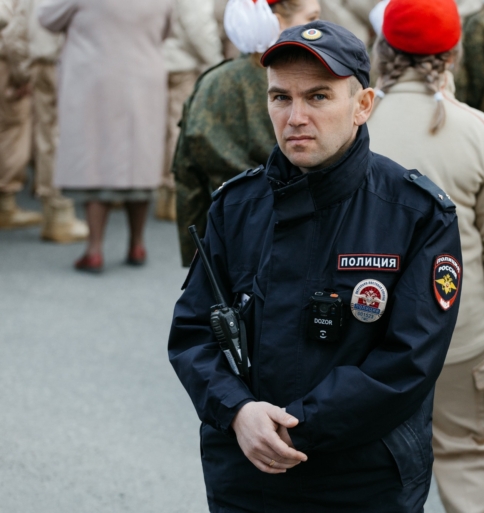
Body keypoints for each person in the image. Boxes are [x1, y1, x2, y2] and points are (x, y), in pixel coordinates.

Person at [168, 20, 463, 512]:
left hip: (362, 478)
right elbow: (194, 331)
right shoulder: (236, 206)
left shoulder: (415, 214)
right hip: (248, 471)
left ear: (362, 106)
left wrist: (295, 423)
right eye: (280, 97)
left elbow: (408, 360)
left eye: (319, 97)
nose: (295, 116)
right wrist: (238, 411)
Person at [367, 1, 484, 511]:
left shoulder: (353, 128)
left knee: (367, 465)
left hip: (367, 336)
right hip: (457, 325)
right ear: (453, 53)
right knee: (469, 459)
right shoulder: (482, 133)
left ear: (383, 48)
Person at [173, 0, 320, 266]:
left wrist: (195, 251)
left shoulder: (212, 82)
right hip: (302, 236)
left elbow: (188, 174)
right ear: (276, 21)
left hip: (228, 234)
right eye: (311, 18)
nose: (318, 29)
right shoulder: (313, 86)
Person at [38, 0, 173, 272]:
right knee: (140, 163)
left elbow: (47, 17)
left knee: (96, 160)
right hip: (144, 76)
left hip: (96, 77)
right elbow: (168, 28)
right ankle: (137, 244)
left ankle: (94, 249)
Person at [5, 0, 88, 242]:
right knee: (62, 137)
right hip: (62, 63)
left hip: (41, 63)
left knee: (46, 137)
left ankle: (54, 213)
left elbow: (15, 30)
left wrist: (22, 71)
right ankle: (60, 216)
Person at [157, 0, 223, 222]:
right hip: (181, 62)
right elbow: (198, 25)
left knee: (159, 130)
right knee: (178, 129)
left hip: (153, 58)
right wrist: (216, 62)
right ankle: (173, 196)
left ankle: (161, 194)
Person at [0, 0, 40, 231]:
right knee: (13, 131)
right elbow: (8, 23)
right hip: (6, 63)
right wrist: (22, 74)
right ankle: (6, 203)